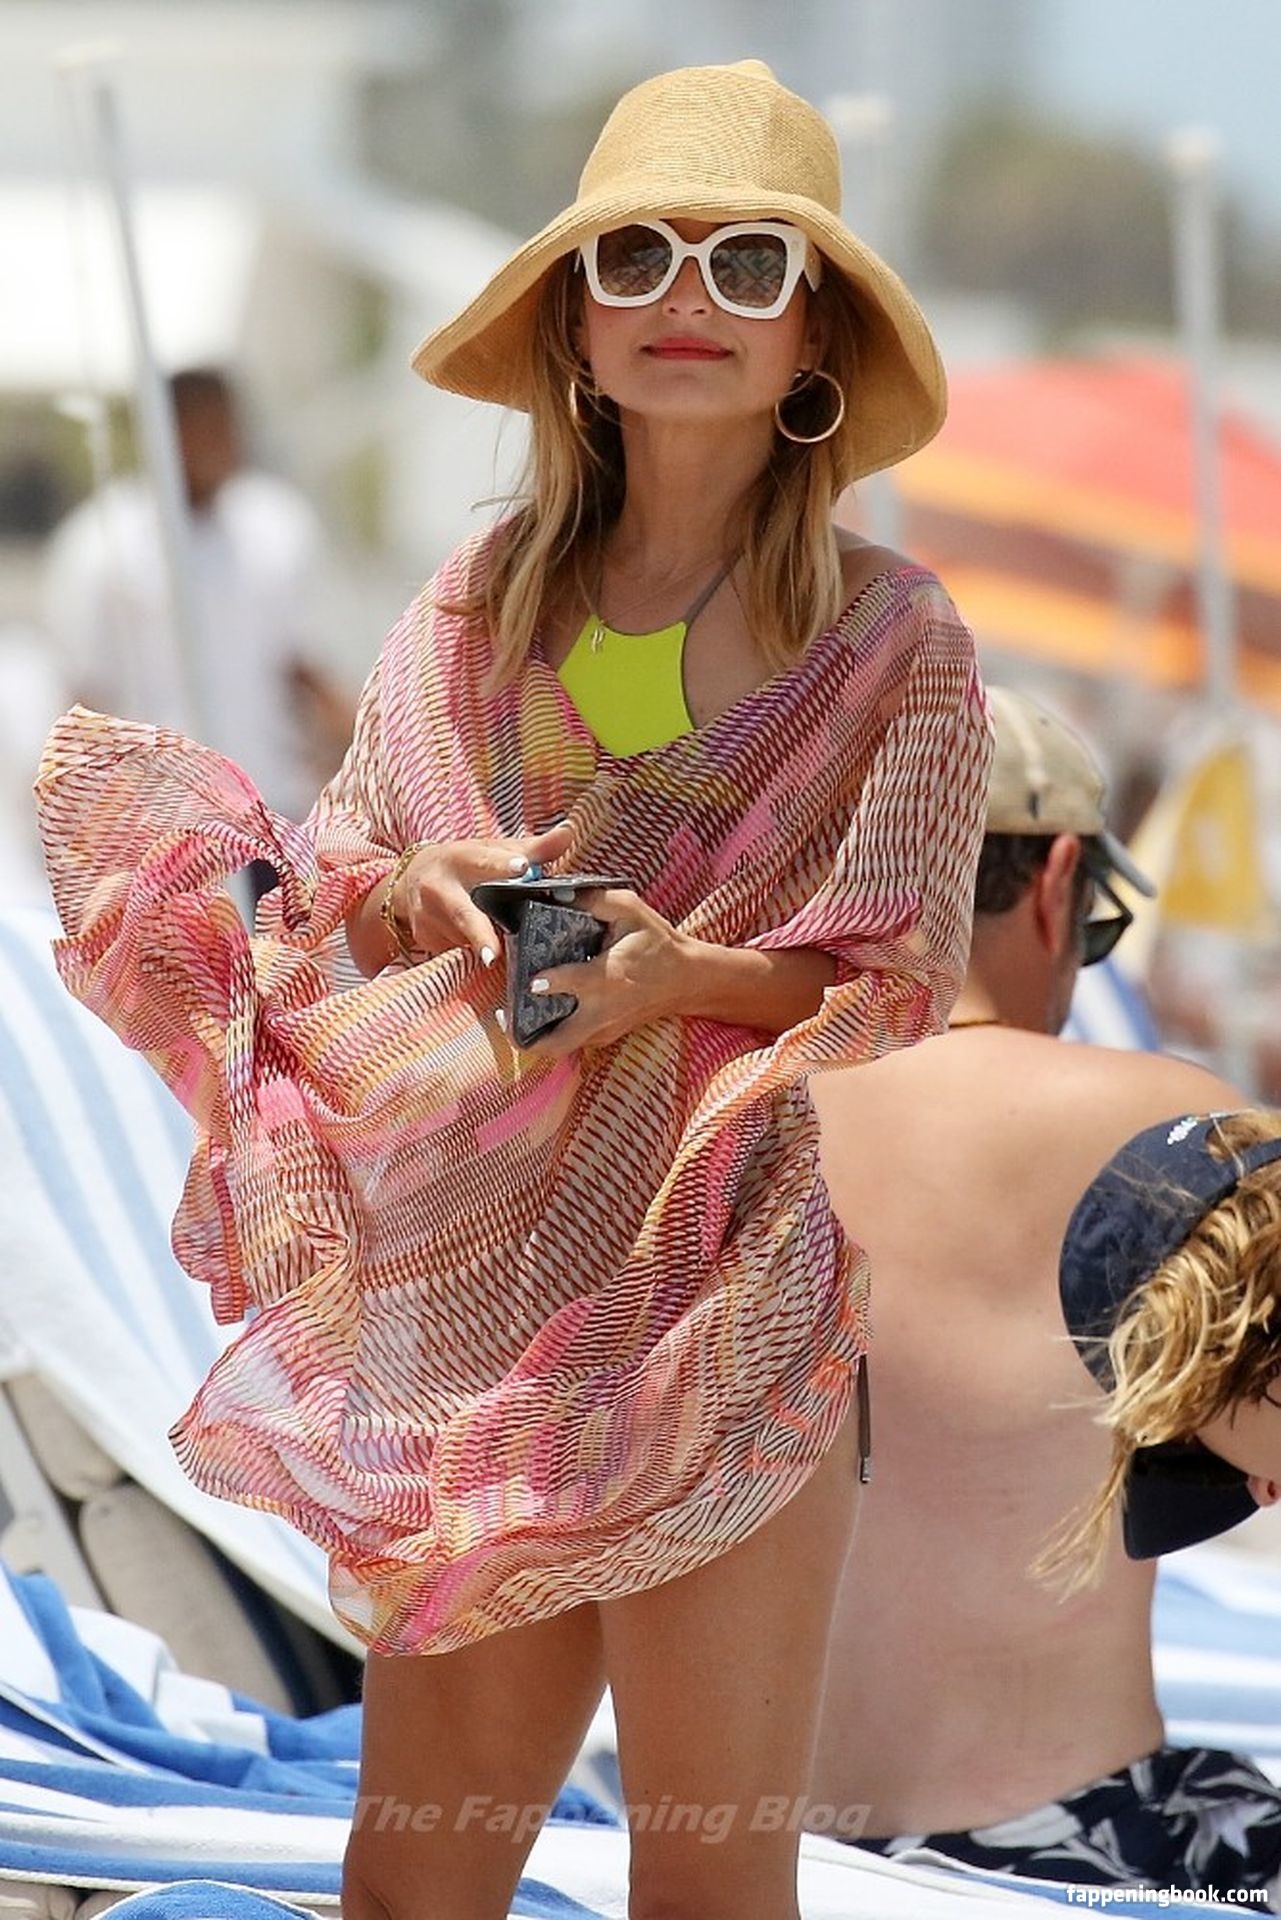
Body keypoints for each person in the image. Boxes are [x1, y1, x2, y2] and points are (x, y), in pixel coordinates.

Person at [37, 61, 992, 1920]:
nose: (686, 299)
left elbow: (894, 983)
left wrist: (678, 979)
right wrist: (420, 888)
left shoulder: (894, 641)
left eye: (745, 263)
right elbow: (336, 893)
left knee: (707, 1891)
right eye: (636, 257)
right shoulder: (476, 603)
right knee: (411, 1889)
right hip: (472, 1313)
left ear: (811, 332)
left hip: (732, 1294)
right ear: (577, 323)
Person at [809, 686, 1281, 1904]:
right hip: (1060, 1842)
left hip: (766, 1847)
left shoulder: (715, 1116)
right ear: (1058, 879)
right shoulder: (1166, 1129)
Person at [42, 367, 351, 822]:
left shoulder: (277, 525)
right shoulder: (100, 544)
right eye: (199, 425)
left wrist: (365, 749)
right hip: (158, 816)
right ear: (163, 430)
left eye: (222, 425)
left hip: (271, 805)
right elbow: (84, 698)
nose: (216, 441)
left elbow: (304, 665)